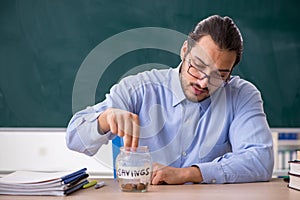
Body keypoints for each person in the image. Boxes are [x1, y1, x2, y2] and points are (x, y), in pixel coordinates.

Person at [66, 15, 274, 184]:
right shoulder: (139, 89)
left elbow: (260, 160)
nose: (203, 83)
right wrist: (104, 119)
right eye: (198, 66)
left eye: (219, 75)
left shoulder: (242, 95)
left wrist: (189, 174)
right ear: (185, 50)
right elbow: (74, 138)